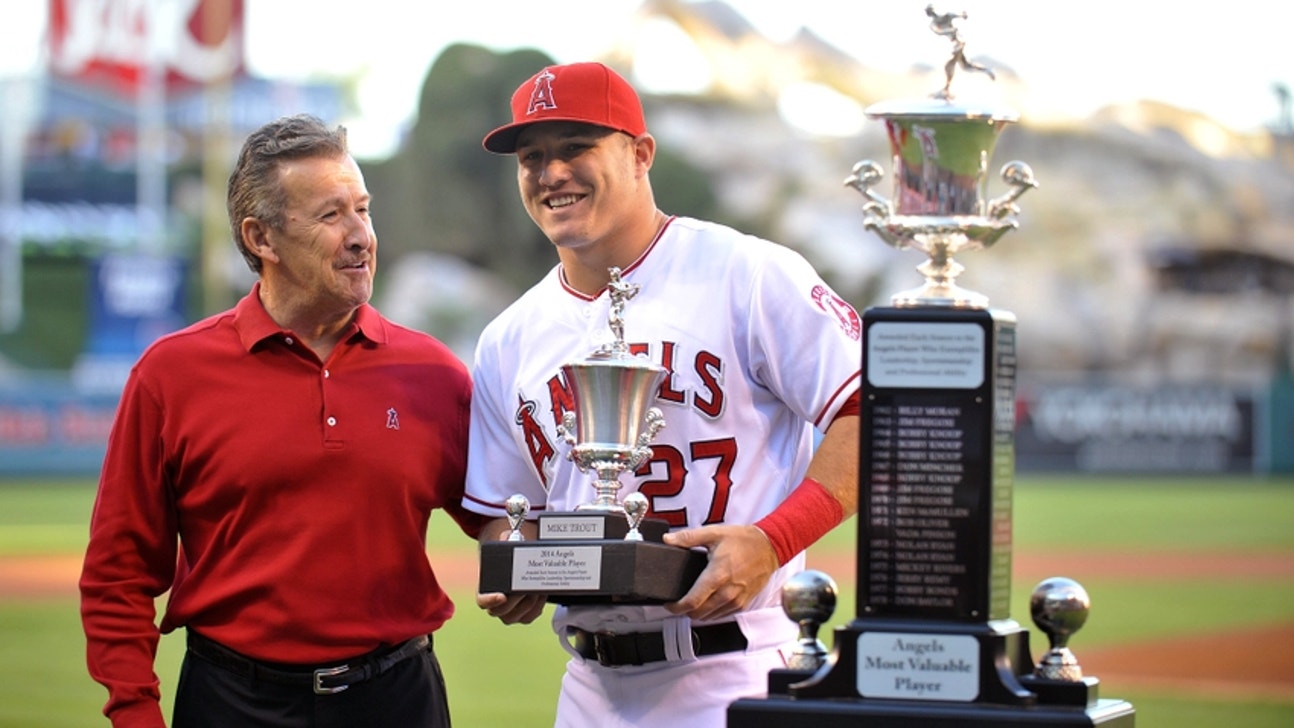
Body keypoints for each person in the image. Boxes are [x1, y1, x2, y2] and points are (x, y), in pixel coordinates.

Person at [465, 62, 863, 727]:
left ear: (641, 154)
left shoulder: (747, 273)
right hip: (590, 686)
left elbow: (872, 414)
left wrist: (773, 539)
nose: (550, 172)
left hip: (738, 665)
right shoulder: (509, 338)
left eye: (575, 148)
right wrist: (519, 562)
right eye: (532, 157)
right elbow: (504, 511)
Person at [79, 114, 484, 728]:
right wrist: (134, 712)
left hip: (398, 699)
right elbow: (118, 573)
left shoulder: (433, 372)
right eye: (331, 216)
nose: (360, 236)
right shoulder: (170, 375)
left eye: (363, 210)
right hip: (233, 703)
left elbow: (502, 520)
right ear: (261, 238)